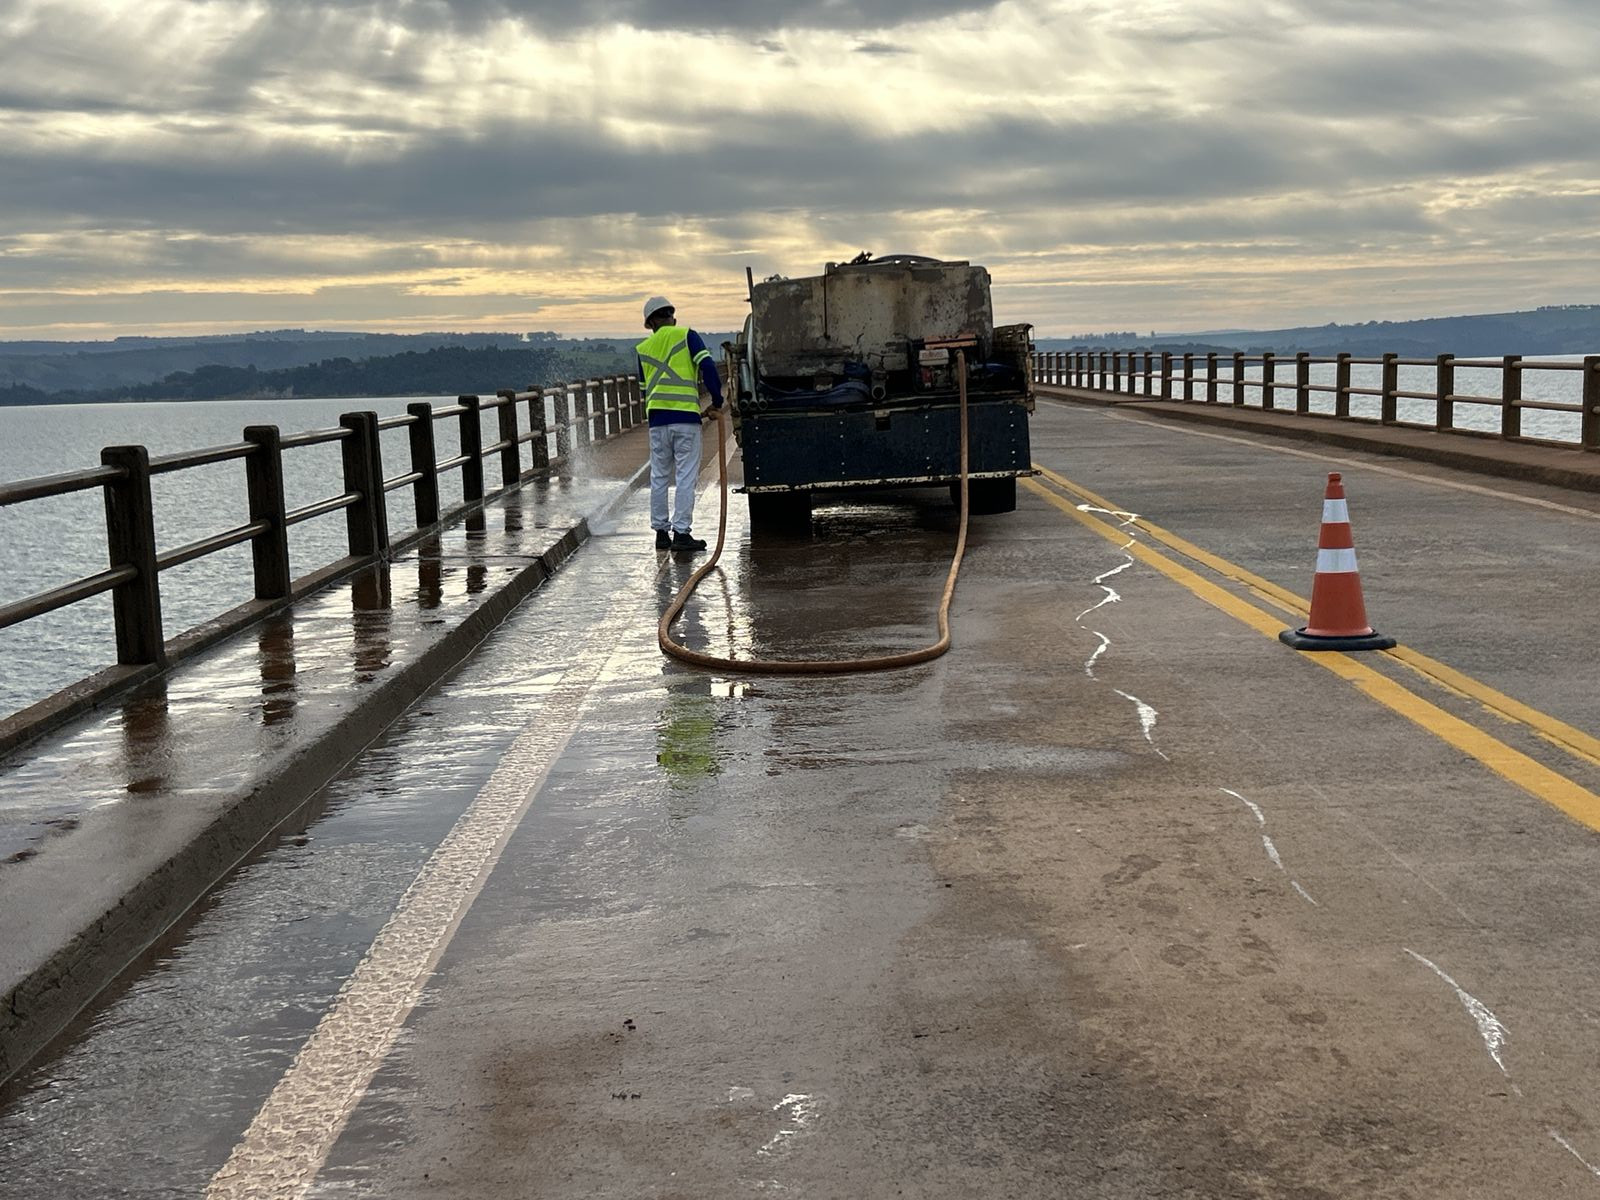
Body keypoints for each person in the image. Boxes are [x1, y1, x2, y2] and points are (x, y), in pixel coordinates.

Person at [636, 295, 722, 552]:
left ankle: (661, 534)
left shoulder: (643, 349)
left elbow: (644, 391)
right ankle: (682, 534)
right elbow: (707, 366)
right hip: (685, 418)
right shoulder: (687, 335)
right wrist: (717, 400)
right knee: (685, 476)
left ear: (650, 324)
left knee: (659, 476)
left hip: (657, 422)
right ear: (672, 316)